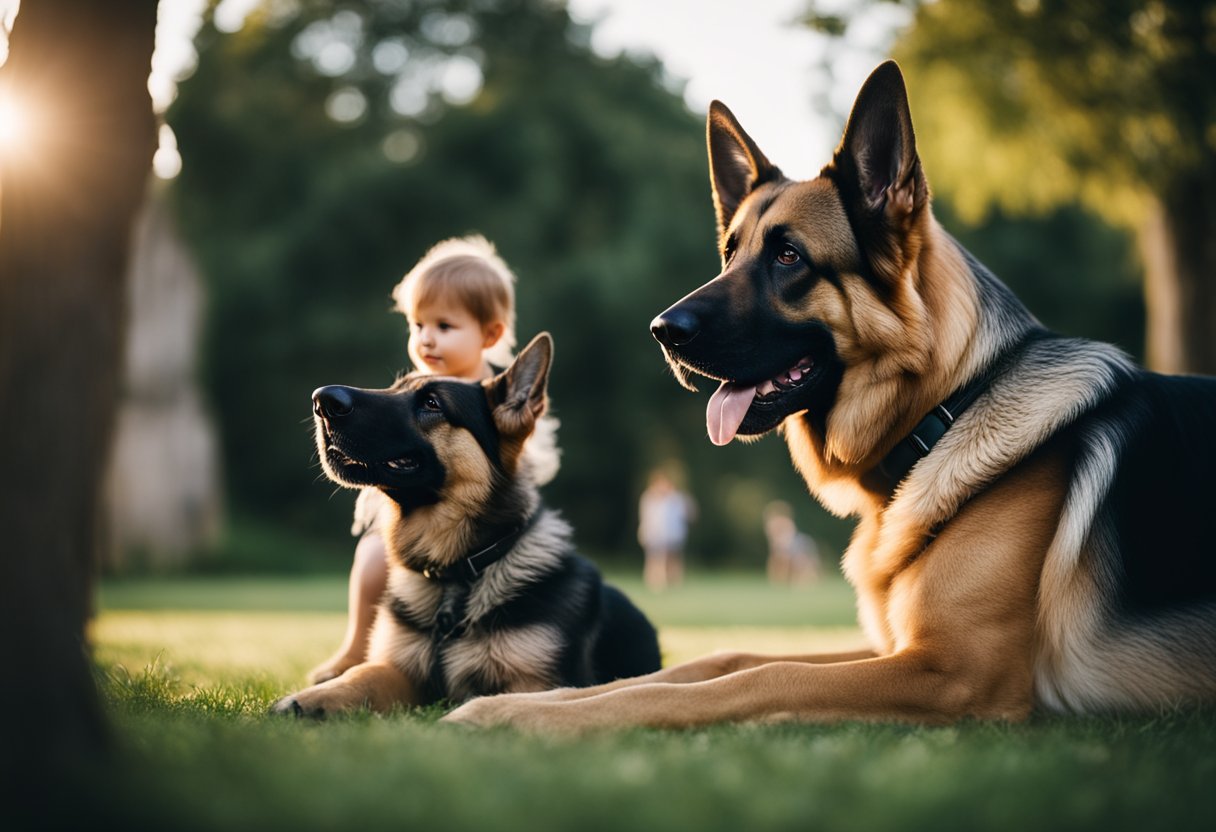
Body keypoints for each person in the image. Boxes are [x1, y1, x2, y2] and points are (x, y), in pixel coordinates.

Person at [308, 235, 559, 683]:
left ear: (490, 334)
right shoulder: (413, 387)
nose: (426, 339)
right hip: (409, 523)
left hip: (476, 535)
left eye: (443, 326)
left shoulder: (494, 401)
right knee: (371, 557)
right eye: (417, 325)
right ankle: (356, 649)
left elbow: (512, 467)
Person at [637, 467, 695, 591]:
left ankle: (674, 583)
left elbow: (690, 514)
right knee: (655, 559)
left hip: (673, 534)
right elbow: (646, 517)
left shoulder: (677, 498)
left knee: (672, 559)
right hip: (654, 534)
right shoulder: (649, 497)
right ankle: (656, 584)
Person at [762, 500, 820, 586]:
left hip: (794, 544)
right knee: (782, 558)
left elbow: (790, 537)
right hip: (785, 546)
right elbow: (774, 541)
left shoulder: (786, 522)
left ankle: (804, 578)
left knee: (800, 558)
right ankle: (781, 580)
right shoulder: (772, 524)